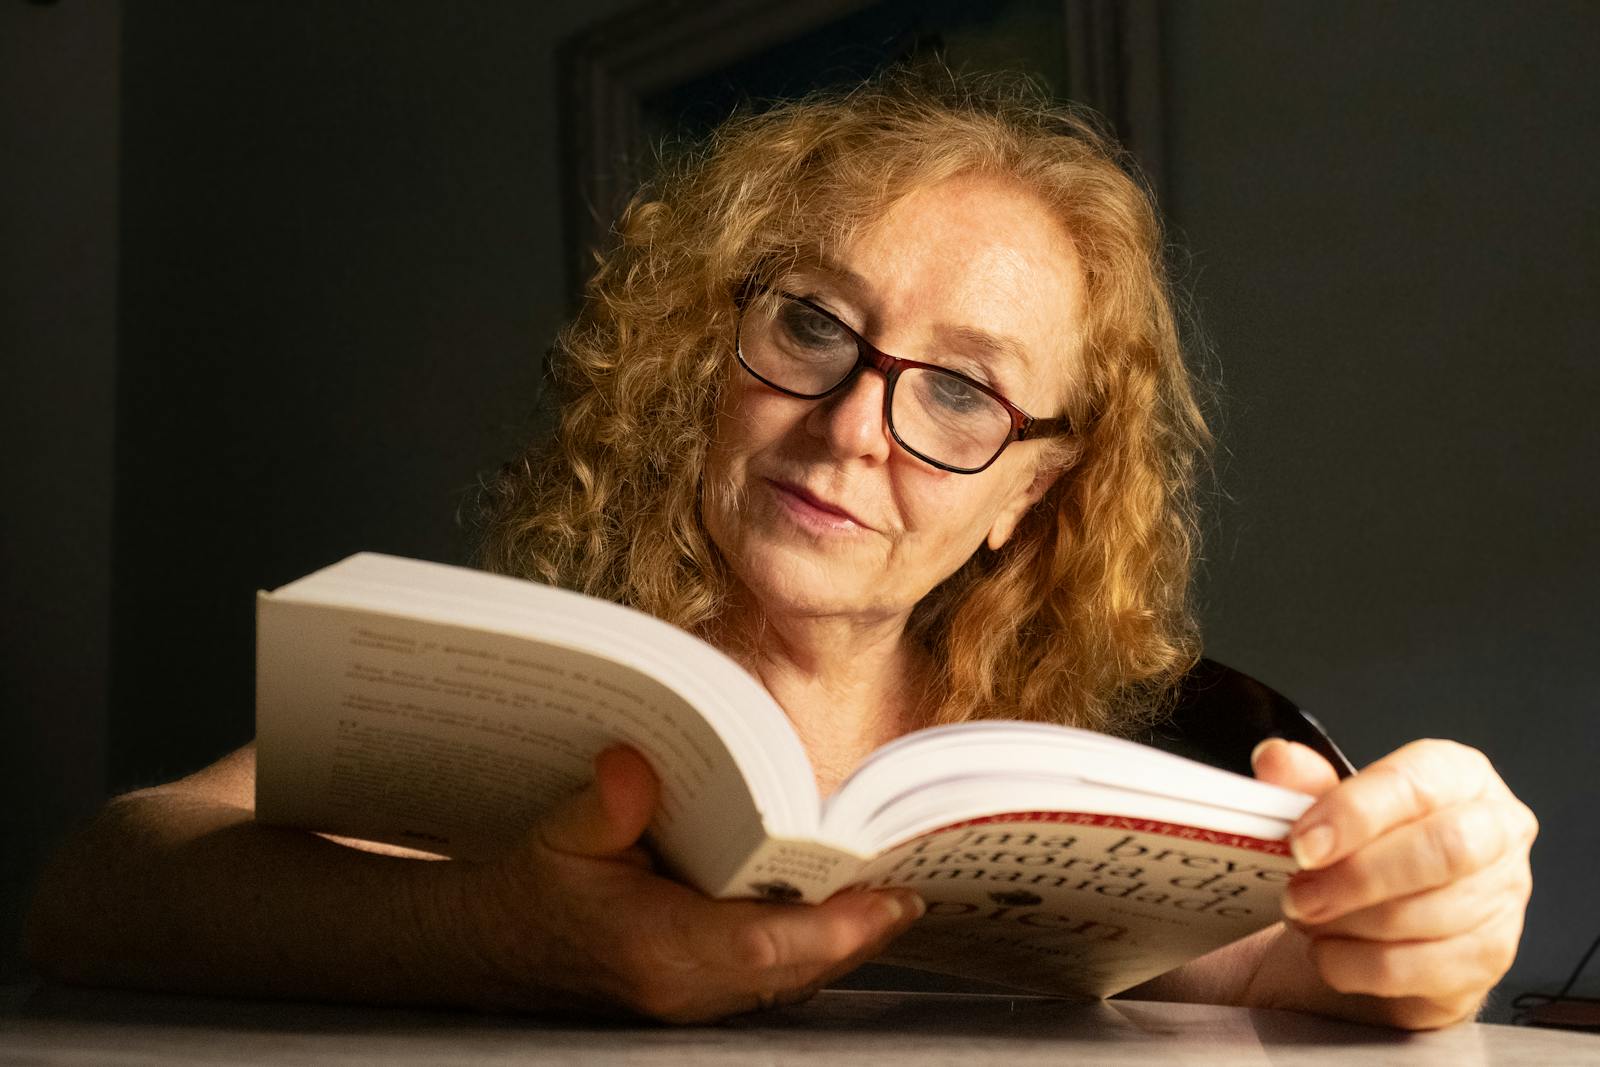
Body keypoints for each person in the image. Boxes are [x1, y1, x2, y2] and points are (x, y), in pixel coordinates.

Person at [25, 71, 1535, 1029]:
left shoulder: (1064, 775)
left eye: (963, 386)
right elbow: (95, 890)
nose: (857, 426)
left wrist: (1425, 917)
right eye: (813, 324)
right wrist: (492, 933)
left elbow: (1293, 972)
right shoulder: (519, 697)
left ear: (1034, 488)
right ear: (707, 347)